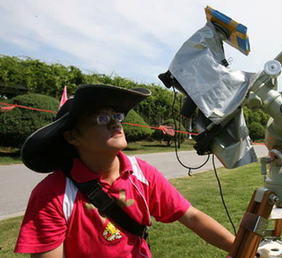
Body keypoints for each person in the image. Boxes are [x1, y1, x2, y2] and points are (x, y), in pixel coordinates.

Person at [15, 84, 235, 257]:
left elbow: (191, 216)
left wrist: (244, 250)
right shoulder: (51, 195)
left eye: (117, 116)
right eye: (102, 118)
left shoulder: (142, 173)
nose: (116, 124)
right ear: (72, 137)